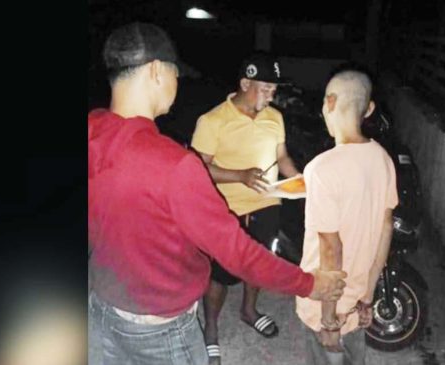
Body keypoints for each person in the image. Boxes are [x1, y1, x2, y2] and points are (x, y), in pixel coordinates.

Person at [88, 22, 347, 365]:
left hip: (100, 310)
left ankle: (250, 311)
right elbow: (238, 253)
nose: (177, 83)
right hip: (161, 332)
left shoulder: (92, 129)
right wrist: (310, 284)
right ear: (155, 72)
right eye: (175, 73)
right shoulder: (175, 164)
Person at [189, 52, 301, 364]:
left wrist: (300, 180)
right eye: (265, 88)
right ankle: (211, 327)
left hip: (267, 204)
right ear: (244, 83)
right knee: (221, 275)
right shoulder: (213, 121)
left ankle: (249, 311)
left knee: (258, 265)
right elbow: (198, 167)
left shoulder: (274, 118)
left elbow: (282, 158)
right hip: (228, 210)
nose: (271, 95)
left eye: (274, 90)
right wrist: (239, 175)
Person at [295, 68, 398, 365]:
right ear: (368, 108)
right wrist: (367, 297)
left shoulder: (322, 168)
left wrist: (328, 321)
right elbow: (385, 228)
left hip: (324, 306)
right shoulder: (382, 158)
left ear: (329, 102)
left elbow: (331, 249)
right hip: (355, 303)